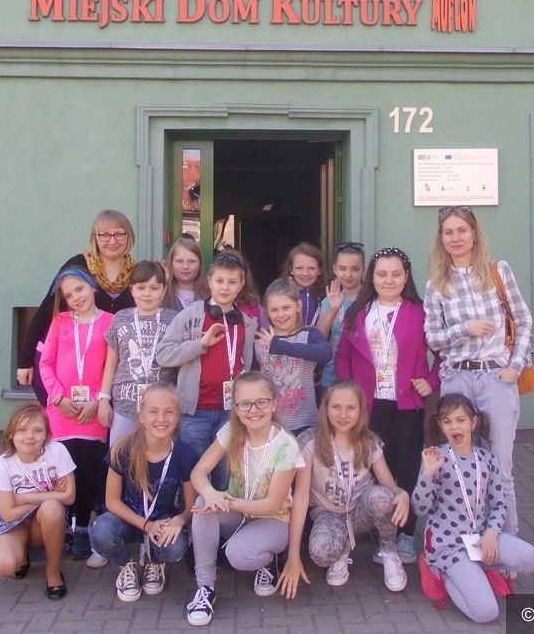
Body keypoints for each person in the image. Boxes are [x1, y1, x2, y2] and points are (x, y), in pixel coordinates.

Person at [423, 206, 532, 535]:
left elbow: (524, 321)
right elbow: (433, 338)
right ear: (441, 239)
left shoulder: (498, 272)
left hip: (495, 377)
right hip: (457, 379)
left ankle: (506, 541)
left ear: (474, 234)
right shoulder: (436, 285)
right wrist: (465, 329)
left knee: (500, 466)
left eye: (462, 230)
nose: (455, 238)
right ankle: (465, 538)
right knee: (460, 463)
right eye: (448, 232)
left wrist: (514, 368)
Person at [335, 246, 440, 565]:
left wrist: (431, 381)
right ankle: (381, 530)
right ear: (372, 277)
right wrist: (349, 395)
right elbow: (342, 358)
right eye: (382, 274)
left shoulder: (420, 313)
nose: (388, 280)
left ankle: (406, 534)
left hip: (407, 405)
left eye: (396, 274)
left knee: (406, 468)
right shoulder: (358, 312)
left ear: (406, 277)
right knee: (374, 468)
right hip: (369, 406)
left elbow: (443, 354)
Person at [184, 372, 304, 626]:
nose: (253, 410)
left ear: (274, 404)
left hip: (272, 520)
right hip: (239, 514)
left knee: (238, 555)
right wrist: (210, 494)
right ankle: (205, 588)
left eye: (261, 402)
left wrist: (227, 502)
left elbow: (272, 504)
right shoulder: (232, 431)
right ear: (236, 408)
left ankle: (268, 560)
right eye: (245, 404)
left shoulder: (286, 445)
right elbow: (198, 471)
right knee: (204, 504)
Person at [412, 393, 534, 623]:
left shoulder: (487, 459)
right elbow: (420, 508)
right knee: (486, 613)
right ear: (440, 425)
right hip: (449, 545)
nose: (454, 427)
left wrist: (491, 534)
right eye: (447, 421)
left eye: (460, 420)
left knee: (531, 558)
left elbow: (499, 503)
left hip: (480, 538)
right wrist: (428, 474)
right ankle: (442, 572)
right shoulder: (436, 458)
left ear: (473, 422)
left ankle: (478, 567)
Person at [279, 380, 410, 598]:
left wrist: (402, 493)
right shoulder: (310, 441)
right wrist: (293, 555)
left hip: (359, 512)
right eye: (336, 407)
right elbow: (301, 497)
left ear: (361, 410)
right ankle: (343, 547)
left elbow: (389, 485)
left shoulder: (369, 441)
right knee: (320, 553)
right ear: (325, 408)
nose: (343, 415)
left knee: (383, 498)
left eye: (350, 408)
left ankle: (389, 553)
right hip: (328, 514)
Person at [155, 251, 258, 488]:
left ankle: (221, 512)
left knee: (225, 474)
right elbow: (163, 354)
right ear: (209, 281)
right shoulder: (189, 316)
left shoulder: (246, 322)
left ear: (241, 284)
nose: (225, 287)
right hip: (195, 412)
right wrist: (199, 345)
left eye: (232, 282)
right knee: (192, 475)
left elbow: (246, 363)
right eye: (219, 280)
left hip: (230, 412)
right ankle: (191, 513)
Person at [89, 384, 197, 602]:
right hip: (127, 520)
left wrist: (179, 520)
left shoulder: (184, 453)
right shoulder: (123, 449)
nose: (161, 419)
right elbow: (111, 501)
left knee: (176, 547)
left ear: (177, 417)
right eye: (153, 411)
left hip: (162, 521)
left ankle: (154, 562)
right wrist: (146, 525)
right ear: (142, 416)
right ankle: (126, 564)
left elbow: (190, 506)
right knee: (101, 531)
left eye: (169, 412)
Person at [17, 210, 137, 405]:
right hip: (68, 367)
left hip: (109, 370)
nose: (112, 240)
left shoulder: (136, 273)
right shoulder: (78, 265)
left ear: (129, 236)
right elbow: (47, 308)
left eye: (119, 234)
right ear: (95, 237)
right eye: (105, 235)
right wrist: (25, 361)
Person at [38, 268, 112, 562]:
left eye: (80, 289)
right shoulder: (60, 322)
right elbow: (45, 363)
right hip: (62, 411)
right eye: (69, 295)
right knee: (64, 470)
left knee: (89, 471)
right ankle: (64, 525)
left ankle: (82, 527)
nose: (76, 298)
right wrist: (58, 397)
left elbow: (112, 366)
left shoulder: (110, 322)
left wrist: (97, 400)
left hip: (93, 412)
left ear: (92, 287)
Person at [0, 403, 76, 600]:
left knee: (52, 508)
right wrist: (51, 494)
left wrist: (20, 498)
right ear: (11, 434)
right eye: (22, 430)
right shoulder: (2, 463)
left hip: (43, 521)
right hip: (13, 524)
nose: (30, 436)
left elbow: (69, 497)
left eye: (37, 430)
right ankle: (21, 556)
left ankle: (53, 571)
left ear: (47, 434)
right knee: (4, 566)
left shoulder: (57, 451)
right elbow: (8, 514)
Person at [100, 261, 178, 447]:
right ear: (132, 290)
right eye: (141, 287)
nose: (147, 293)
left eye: (154, 288)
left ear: (163, 290)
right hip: (125, 405)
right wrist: (104, 399)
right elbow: (111, 363)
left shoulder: (173, 319)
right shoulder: (120, 318)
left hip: (162, 409)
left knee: (160, 457)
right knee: (119, 456)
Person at [254, 278, 332, 435]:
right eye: (274, 310)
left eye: (286, 307)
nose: (281, 314)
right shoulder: (261, 338)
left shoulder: (309, 334)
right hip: (270, 422)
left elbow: (325, 353)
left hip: (305, 422)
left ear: (298, 306)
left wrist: (279, 345)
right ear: (266, 311)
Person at [316, 242, 366, 400]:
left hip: (363, 375)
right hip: (332, 376)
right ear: (335, 269)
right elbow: (318, 337)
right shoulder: (328, 301)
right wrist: (333, 310)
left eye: (355, 269)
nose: (348, 274)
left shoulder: (371, 301)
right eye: (343, 268)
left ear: (364, 270)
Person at [281, 242, 326, 328]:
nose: (305, 273)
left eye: (311, 268)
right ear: (291, 270)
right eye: (299, 268)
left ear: (319, 270)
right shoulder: (281, 295)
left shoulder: (325, 295)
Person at [161, 236, 209, 311]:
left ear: (200, 263)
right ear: (171, 263)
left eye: (192, 261)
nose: (185, 266)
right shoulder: (161, 294)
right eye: (179, 261)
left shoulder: (210, 295)